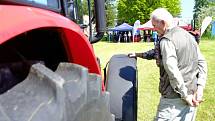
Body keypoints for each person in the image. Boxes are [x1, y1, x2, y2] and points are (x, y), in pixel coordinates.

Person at [128, 8, 207, 120]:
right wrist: (200, 88)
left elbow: (172, 70)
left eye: (155, 25)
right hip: (192, 95)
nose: (154, 29)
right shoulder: (190, 36)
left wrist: (185, 95)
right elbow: (202, 62)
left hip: (174, 100)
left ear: (163, 23)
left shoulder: (166, 40)